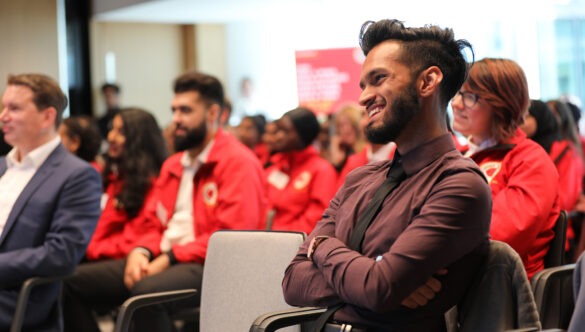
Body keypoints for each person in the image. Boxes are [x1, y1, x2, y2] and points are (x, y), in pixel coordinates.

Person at [282, 19, 491, 331]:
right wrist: (369, 276)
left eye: (378, 79)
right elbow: (292, 282)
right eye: (364, 85)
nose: (364, 97)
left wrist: (320, 247)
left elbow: (378, 289)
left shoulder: (460, 184)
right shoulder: (360, 178)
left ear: (428, 81)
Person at [63, 71, 266, 332]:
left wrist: (170, 257)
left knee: (145, 294)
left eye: (185, 111)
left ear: (213, 114)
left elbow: (230, 238)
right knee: (67, 281)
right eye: (174, 110)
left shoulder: (238, 163)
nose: (176, 120)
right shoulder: (174, 164)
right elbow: (152, 223)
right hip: (165, 256)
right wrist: (141, 251)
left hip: (212, 265)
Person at [0, 73, 102, 330]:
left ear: (47, 116)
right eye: (3, 107)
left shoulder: (77, 175)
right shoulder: (3, 167)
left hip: (16, 296)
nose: (3, 116)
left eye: (14, 108)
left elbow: (61, 254)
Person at [452, 58, 560, 279]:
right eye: (457, 93)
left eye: (469, 97)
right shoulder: (459, 155)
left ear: (501, 106)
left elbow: (500, 237)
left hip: (503, 293)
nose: (456, 103)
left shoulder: (529, 160)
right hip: (458, 282)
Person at [83, 107, 168, 260]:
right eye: (112, 129)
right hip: (99, 253)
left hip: (126, 258)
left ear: (139, 139)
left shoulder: (152, 182)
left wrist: (90, 248)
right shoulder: (114, 177)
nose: (111, 137)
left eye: (121, 132)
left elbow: (136, 239)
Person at [264, 107, 337, 234]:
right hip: (264, 240)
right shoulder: (275, 166)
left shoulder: (321, 170)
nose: (278, 136)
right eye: (278, 130)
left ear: (302, 134)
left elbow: (316, 219)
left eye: (285, 131)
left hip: (295, 245)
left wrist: (279, 236)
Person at [336, 109, 396, 189]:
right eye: (363, 115)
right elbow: (339, 197)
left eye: (372, 114)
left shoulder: (402, 158)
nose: (363, 122)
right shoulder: (353, 161)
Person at [328, 103, 368, 171]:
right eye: (341, 125)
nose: (347, 129)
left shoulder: (369, 152)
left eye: (351, 124)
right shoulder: (343, 153)